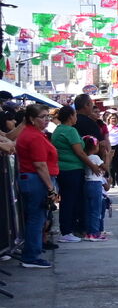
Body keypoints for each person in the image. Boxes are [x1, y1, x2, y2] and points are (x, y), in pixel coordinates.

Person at [16, 104, 60, 269]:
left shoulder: (33, 134)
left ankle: (32, 252)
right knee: (37, 218)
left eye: (47, 116)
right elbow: (40, 165)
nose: (47, 120)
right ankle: (31, 256)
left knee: (36, 218)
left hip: (34, 179)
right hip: (36, 180)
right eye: (43, 117)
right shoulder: (33, 136)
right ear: (32, 119)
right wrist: (50, 188)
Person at [50, 105, 91, 242]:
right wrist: (93, 166)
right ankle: (66, 231)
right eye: (75, 115)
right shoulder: (70, 130)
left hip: (63, 169)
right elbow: (79, 152)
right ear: (70, 116)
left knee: (68, 200)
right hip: (72, 169)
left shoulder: (59, 129)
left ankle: (68, 229)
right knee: (69, 201)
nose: (76, 118)